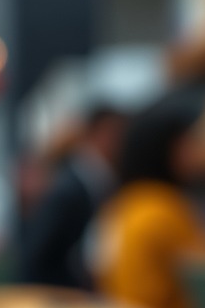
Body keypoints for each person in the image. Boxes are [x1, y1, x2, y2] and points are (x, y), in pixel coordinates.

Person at [93, 87, 205, 308]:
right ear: (165, 148)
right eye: (189, 143)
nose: (198, 152)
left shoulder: (124, 203)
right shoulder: (164, 208)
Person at [20, 106, 127, 287]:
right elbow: (38, 257)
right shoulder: (68, 189)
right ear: (96, 133)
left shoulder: (97, 179)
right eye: (116, 134)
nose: (122, 143)